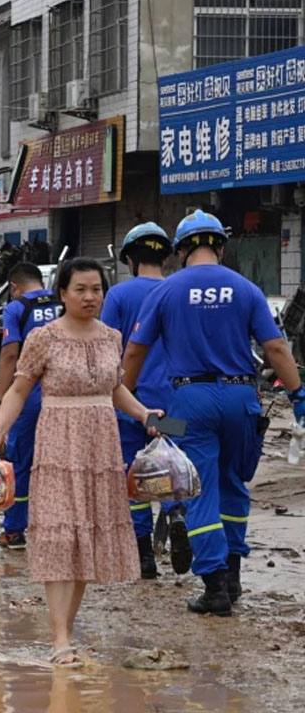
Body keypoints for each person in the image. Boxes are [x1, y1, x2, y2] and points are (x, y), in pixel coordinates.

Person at [0, 257, 161, 667]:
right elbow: (19, 391)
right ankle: (60, 639)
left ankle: (68, 630)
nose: (90, 296)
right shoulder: (44, 337)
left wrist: (144, 414)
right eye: (80, 289)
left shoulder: (112, 337)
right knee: (60, 537)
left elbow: (115, 389)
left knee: (84, 542)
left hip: (101, 446)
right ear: (62, 293)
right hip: (58, 442)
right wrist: (0, 428)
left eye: (96, 289)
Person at [125, 210, 305, 616]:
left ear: (182, 250)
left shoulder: (166, 291)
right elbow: (276, 349)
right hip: (242, 398)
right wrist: (298, 395)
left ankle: (215, 587)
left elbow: (137, 349)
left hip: (191, 401)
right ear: (220, 247)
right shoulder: (246, 289)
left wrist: (127, 394)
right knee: (235, 485)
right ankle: (235, 574)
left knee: (200, 489)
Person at [101, 222, 185, 580]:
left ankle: (144, 558)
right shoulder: (178, 291)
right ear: (165, 257)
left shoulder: (119, 296)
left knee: (132, 476)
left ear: (131, 260)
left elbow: (105, 347)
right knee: (169, 466)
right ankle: (177, 512)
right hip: (173, 403)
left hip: (129, 402)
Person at [0, 263, 62, 550]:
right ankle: (58, 528)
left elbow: (10, 354)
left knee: (21, 460)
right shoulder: (63, 301)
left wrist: (0, 399)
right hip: (64, 392)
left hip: (31, 392)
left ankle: (14, 531)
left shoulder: (17, 308)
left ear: (14, 287)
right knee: (60, 462)